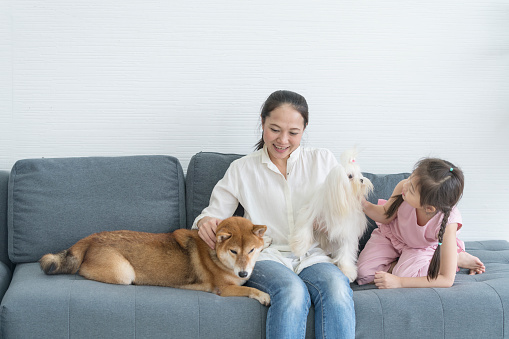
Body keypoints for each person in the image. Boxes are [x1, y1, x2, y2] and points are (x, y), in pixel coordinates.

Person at [193, 90, 355, 339]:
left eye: (293, 133)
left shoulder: (323, 160)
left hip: (313, 255)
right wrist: (205, 223)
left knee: (336, 288)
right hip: (266, 256)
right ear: (262, 123)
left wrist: (333, 221)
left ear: (304, 129)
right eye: (275, 129)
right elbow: (212, 214)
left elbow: (346, 210)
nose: (283, 140)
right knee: (292, 291)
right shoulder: (242, 169)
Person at [356, 158, 485, 289]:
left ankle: (454, 258)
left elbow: (446, 280)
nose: (405, 185)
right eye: (410, 178)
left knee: (405, 275)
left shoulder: (448, 224)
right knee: (364, 273)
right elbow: (385, 215)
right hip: (393, 236)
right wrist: (363, 203)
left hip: (421, 248)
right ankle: (406, 263)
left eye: (411, 190)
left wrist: (400, 282)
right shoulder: (403, 186)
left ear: (429, 208)